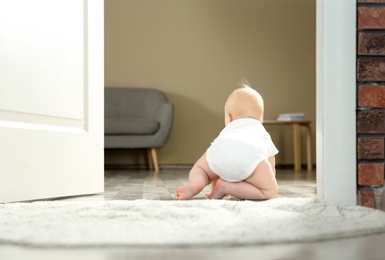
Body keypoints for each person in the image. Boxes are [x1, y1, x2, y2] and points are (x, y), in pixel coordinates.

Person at [175, 83, 278, 200]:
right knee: (269, 191)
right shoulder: (261, 131)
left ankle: (197, 183)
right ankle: (225, 187)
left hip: (219, 154)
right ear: (260, 119)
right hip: (249, 159)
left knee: (200, 168)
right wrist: (267, 180)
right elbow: (270, 162)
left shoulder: (229, 129)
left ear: (229, 118)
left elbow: (224, 157)